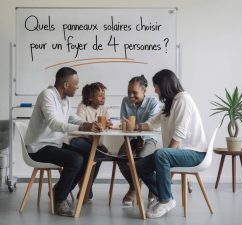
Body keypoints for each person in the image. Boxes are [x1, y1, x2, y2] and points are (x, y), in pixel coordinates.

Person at [25, 67, 101, 217]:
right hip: (38, 147)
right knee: (75, 159)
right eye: (76, 83)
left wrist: (90, 123)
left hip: (55, 145)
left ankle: (58, 191)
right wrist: (82, 126)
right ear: (66, 85)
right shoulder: (47, 95)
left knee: (89, 155)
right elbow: (54, 123)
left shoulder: (65, 100)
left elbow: (72, 118)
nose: (77, 87)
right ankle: (59, 200)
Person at [135, 69, 208, 218]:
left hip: (195, 153)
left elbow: (179, 134)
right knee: (141, 165)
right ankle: (166, 196)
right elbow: (152, 123)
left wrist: (166, 159)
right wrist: (135, 126)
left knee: (161, 154)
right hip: (179, 153)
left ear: (164, 85)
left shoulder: (183, 100)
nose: (155, 90)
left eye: (156, 86)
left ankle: (165, 199)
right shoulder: (170, 103)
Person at [117, 75, 159, 206]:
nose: (130, 96)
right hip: (131, 138)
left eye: (134, 92)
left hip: (149, 138)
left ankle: (153, 188)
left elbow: (152, 125)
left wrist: (142, 137)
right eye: (129, 92)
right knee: (121, 158)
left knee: (142, 158)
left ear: (144, 91)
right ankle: (134, 187)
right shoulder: (125, 101)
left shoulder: (153, 102)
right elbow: (123, 123)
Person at [69, 82, 111, 200]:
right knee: (98, 153)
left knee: (98, 155)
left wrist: (108, 125)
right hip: (79, 140)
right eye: (100, 95)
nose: (103, 97)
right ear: (90, 97)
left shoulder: (103, 109)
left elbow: (105, 128)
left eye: (104, 94)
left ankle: (86, 188)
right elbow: (81, 127)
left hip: (94, 143)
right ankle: (86, 189)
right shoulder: (83, 107)